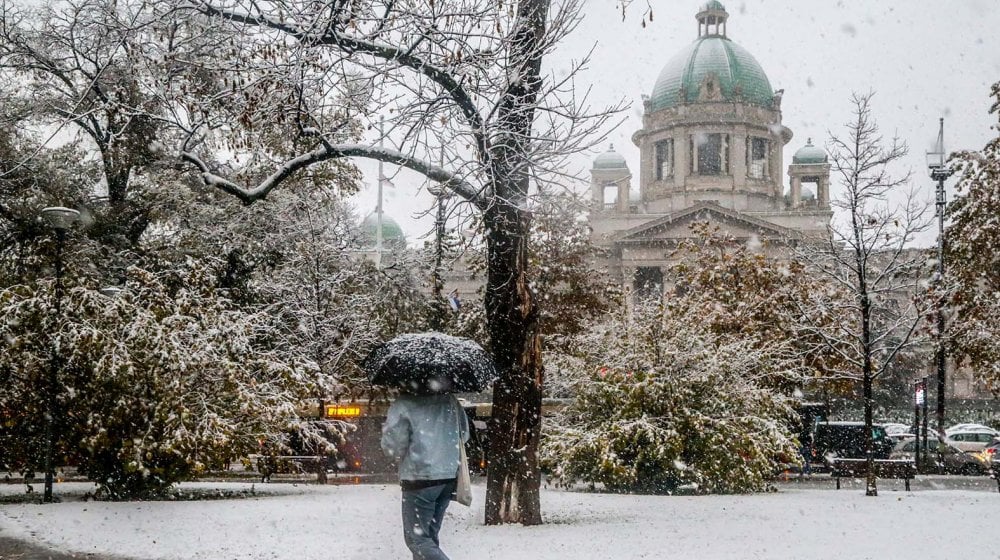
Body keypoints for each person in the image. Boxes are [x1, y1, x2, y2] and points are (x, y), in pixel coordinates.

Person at [381, 392, 469, 560]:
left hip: (419, 477)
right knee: (429, 538)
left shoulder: (404, 403)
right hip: (448, 476)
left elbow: (393, 446)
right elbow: (463, 435)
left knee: (417, 540)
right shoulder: (450, 400)